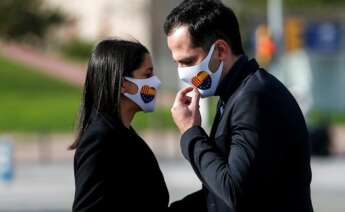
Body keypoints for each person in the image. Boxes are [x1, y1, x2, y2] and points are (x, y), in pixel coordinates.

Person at [164, 1, 314, 212]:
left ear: (220, 51)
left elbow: (234, 191)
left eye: (188, 61)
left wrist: (191, 132)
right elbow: (222, 191)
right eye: (177, 63)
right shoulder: (234, 93)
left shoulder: (254, 97)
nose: (182, 72)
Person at [70, 39, 170, 211]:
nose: (156, 82)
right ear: (124, 84)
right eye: (147, 75)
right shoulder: (100, 139)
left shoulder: (123, 133)